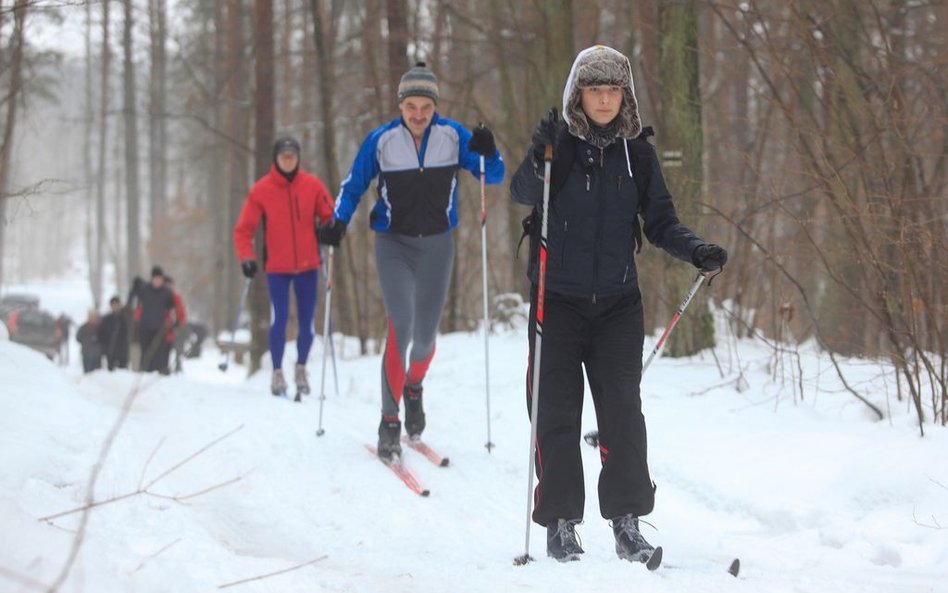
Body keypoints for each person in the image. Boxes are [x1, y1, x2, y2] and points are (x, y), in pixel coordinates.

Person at [509, 45, 728, 564]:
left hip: (616, 306)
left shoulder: (638, 154)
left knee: (623, 413)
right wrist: (538, 151)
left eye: (613, 89)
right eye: (594, 89)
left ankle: (627, 523)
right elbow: (522, 193)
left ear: (624, 95)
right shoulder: (558, 146)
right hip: (556, 303)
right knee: (556, 414)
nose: (604, 99)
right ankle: (561, 523)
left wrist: (695, 248)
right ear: (578, 94)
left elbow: (660, 222)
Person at [320, 61, 505, 461]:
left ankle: (414, 387)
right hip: (394, 245)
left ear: (434, 106)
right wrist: (337, 223)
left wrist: (490, 151)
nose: (418, 114)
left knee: (424, 337)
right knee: (399, 324)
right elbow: (353, 186)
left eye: (425, 106)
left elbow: (493, 176)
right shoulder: (381, 141)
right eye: (411, 107)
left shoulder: (453, 136)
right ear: (400, 106)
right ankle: (390, 420)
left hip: (438, 245)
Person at [233, 136, 335, 396]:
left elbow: (329, 215)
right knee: (278, 319)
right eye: (284, 156)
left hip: (309, 265)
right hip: (277, 267)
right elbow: (244, 230)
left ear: (298, 157)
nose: (288, 160)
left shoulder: (312, 185)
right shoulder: (261, 190)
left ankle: (301, 367)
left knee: (306, 322)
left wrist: (330, 230)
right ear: (276, 159)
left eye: (292, 155)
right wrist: (247, 257)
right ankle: (277, 372)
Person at [132, 266, 177, 373]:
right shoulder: (144, 290)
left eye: (159, 279)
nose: (157, 281)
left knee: (159, 351)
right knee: (146, 351)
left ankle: (159, 371)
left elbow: (172, 308)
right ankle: (145, 370)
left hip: (159, 328)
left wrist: (172, 320)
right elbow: (135, 300)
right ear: (152, 279)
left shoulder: (166, 293)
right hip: (145, 326)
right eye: (155, 278)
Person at [97, 295, 130, 370]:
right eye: (113, 304)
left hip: (122, 351)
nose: (115, 306)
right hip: (111, 350)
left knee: (123, 372)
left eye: (117, 304)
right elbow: (101, 334)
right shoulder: (107, 319)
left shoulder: (124, 318)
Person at [164, 276, 188, 373]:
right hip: (165, 329)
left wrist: (180, 322)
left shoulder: (176, 297)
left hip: (176, 327)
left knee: (178, 347)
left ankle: (178, 366)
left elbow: (181, 312)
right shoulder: (162, 298)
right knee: (165, 349)